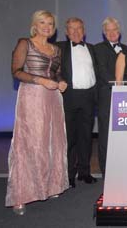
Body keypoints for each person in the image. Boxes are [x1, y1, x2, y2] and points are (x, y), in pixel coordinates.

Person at [6, 10, 69, 215]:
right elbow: (16, 71)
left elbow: (56, 72)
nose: (47, 26)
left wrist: (61, 82)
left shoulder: (56, 49)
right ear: (35, 24)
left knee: (53, 142)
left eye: (50, 23)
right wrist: (40, 80)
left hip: (52, 99)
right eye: (42, 22)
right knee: (29, 143)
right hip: (32, 97)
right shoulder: (25, 43)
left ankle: (50, 187)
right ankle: (21, 195)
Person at [57, 17, 97, 188]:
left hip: (89, 97)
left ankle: (85, 172)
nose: (75, 32)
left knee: (86, 137)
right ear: (66, 33)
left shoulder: (93, 49)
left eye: (78, 28)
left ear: (84, 31)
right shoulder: (59, 48)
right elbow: (51, 69)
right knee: (70, 138)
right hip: (69, 97)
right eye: (71, 29)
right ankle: (69, 175)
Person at [94, 17, 127, 177]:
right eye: (109, 30)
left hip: (126, 100)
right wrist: (118, 86)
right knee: (106, 136)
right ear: (104, 33)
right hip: (107, 98)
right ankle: (107, 172)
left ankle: (123, 168)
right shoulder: (98, 49)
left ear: (119, 32)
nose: (112, 33)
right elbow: (102, 71)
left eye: (115, 29)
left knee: (123, 135)